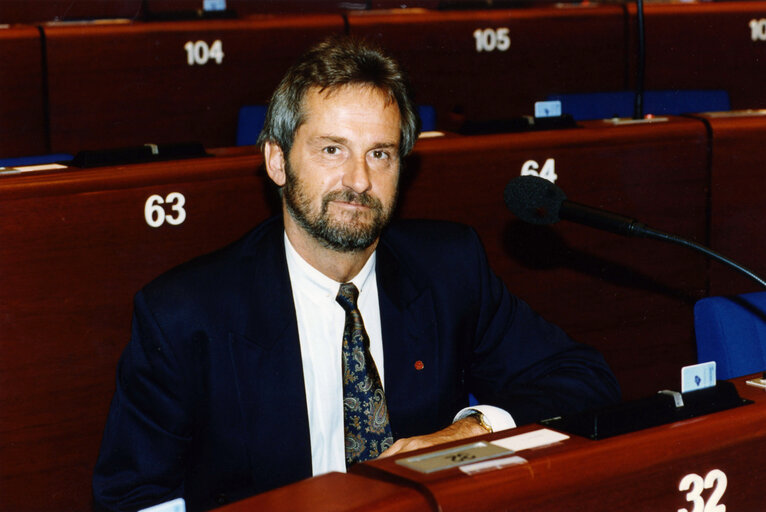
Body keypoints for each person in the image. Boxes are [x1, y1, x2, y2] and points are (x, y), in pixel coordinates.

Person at [92, 35, 620, 511]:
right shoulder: (185, 314)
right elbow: (133, 499)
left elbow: (583, 380)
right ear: (277, 161)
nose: (359, 180)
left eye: (381, 154)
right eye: (331, 150)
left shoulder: (447, 267)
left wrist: (472, 430)